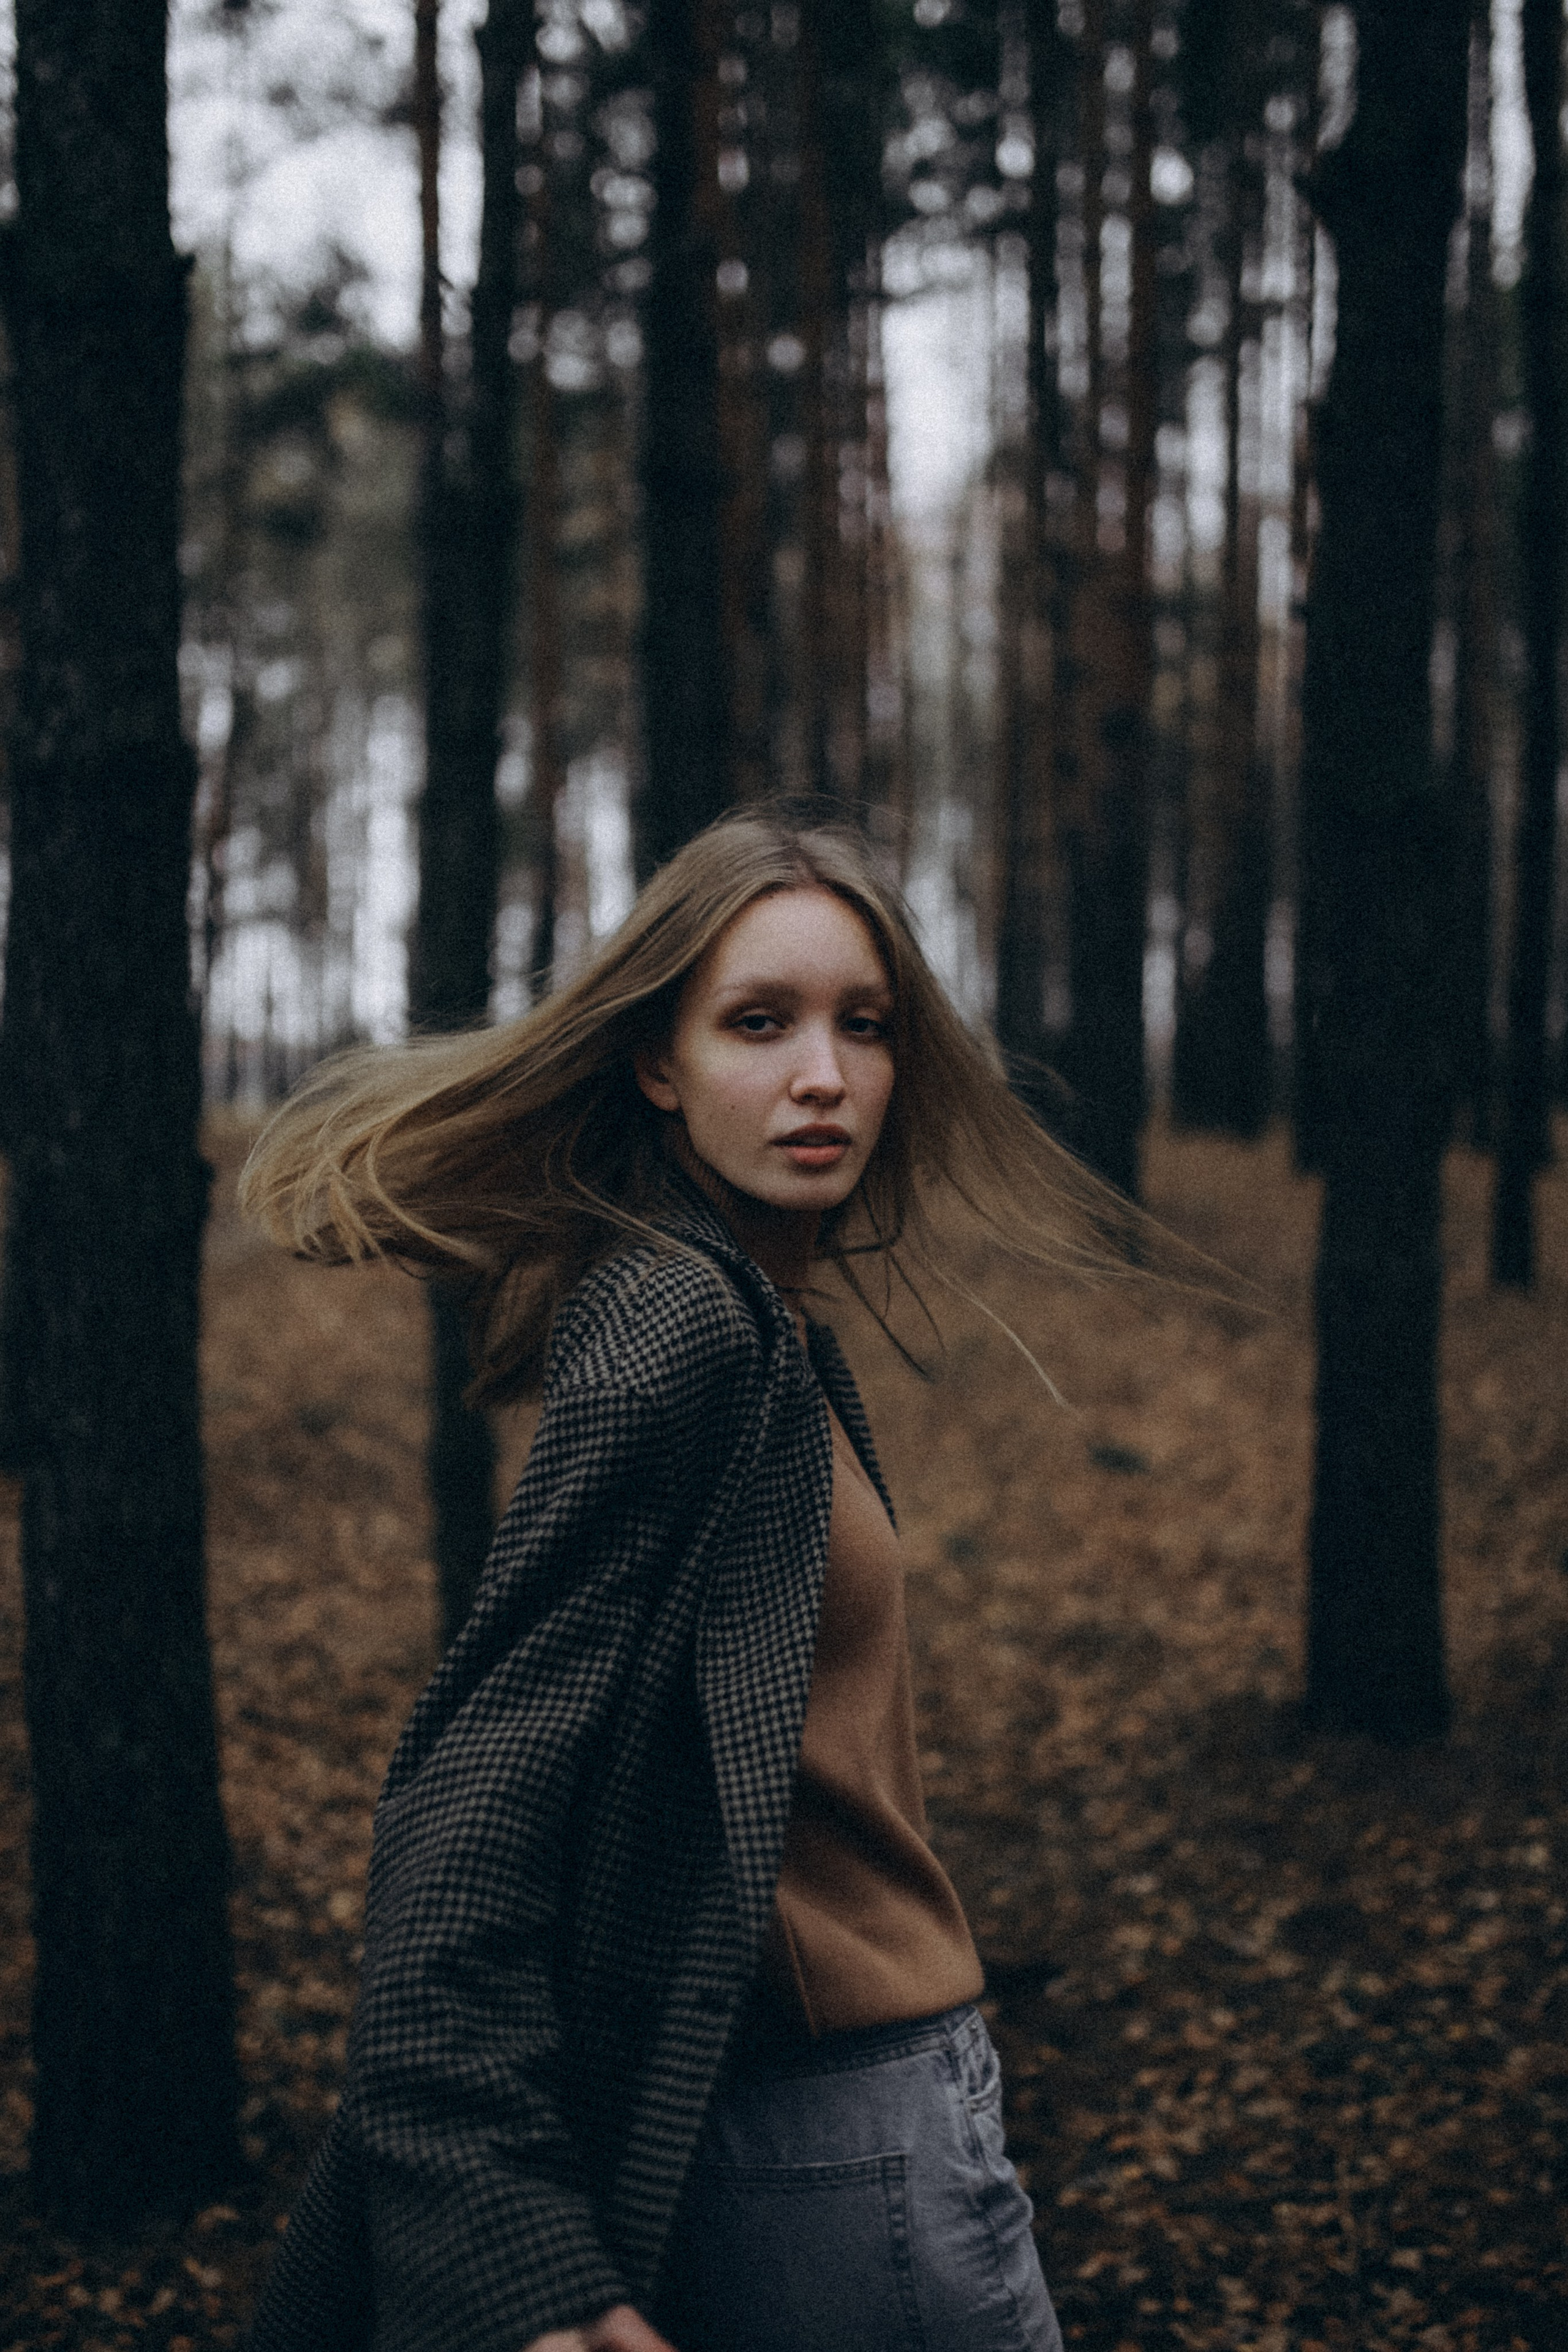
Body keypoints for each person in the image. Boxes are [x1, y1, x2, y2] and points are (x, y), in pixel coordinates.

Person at [241, 809, 1118, 2352]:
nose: (824, 1076)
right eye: (758, 1024)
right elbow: (467, 1802)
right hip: (837, 2152)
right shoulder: (683, 1330)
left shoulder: (751, 1323)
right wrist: (512, 2243)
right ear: (659, 1061)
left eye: (866, 1027)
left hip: (855, 2123)